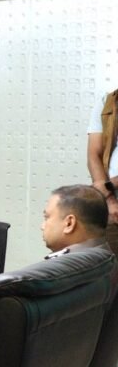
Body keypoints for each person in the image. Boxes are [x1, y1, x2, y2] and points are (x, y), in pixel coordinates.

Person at [87, 90, 118, 255]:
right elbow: (94, 155)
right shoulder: (108, 102)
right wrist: (109, 199)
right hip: (112, 199)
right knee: (109, 262)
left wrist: (109, 185)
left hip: (110, 186)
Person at [42, 184, 110, 255]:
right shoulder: (105, 255)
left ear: (69, 223)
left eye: (47, 217)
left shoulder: (66, 262)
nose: (42, 227)